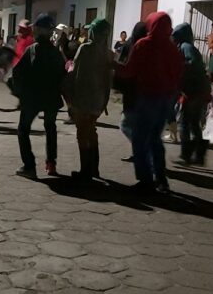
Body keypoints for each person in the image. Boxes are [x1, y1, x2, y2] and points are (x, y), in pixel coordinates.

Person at [117, 11, 184, 194]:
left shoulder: (143, 45)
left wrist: (113, 65)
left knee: (139, 139)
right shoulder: (172, 48)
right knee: (155, 139)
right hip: (166, 98)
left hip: (147, 97)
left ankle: (146, 180)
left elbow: (129, 71)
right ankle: (161, 179)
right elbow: (179, 73)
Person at [12, 14, 66, 179]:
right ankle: (51, 163)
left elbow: (17, 72)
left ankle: (29, 166)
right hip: (51, 97)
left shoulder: (33, 50)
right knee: (50, 128)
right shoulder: (56, 52)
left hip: (32, 98)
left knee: (23, 129)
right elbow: (62, 74)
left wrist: (19, 92)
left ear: (39, 30)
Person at [67, 19, 113, 182]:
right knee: (91, 132)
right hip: (99, 101)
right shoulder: (108, 53)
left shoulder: (85, 49)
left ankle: (85, 170)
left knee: (83, 134)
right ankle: (94, 168)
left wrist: (70, 97)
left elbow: (74, 74)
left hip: (84, 99)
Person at [173, 23, 211, 165]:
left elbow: (191, 64)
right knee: (194, 123)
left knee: (184, 122)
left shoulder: (185, 47)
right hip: (198, 90)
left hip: (193, 91)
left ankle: (186, 154)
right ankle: (198, 155)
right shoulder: (187, 47)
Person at [115, 22, 147, 162]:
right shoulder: (148, 45)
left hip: (132, 91)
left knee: (126, 124)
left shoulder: (132, 44)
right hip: (146, 92)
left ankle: (141, 151)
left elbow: (123, 64)